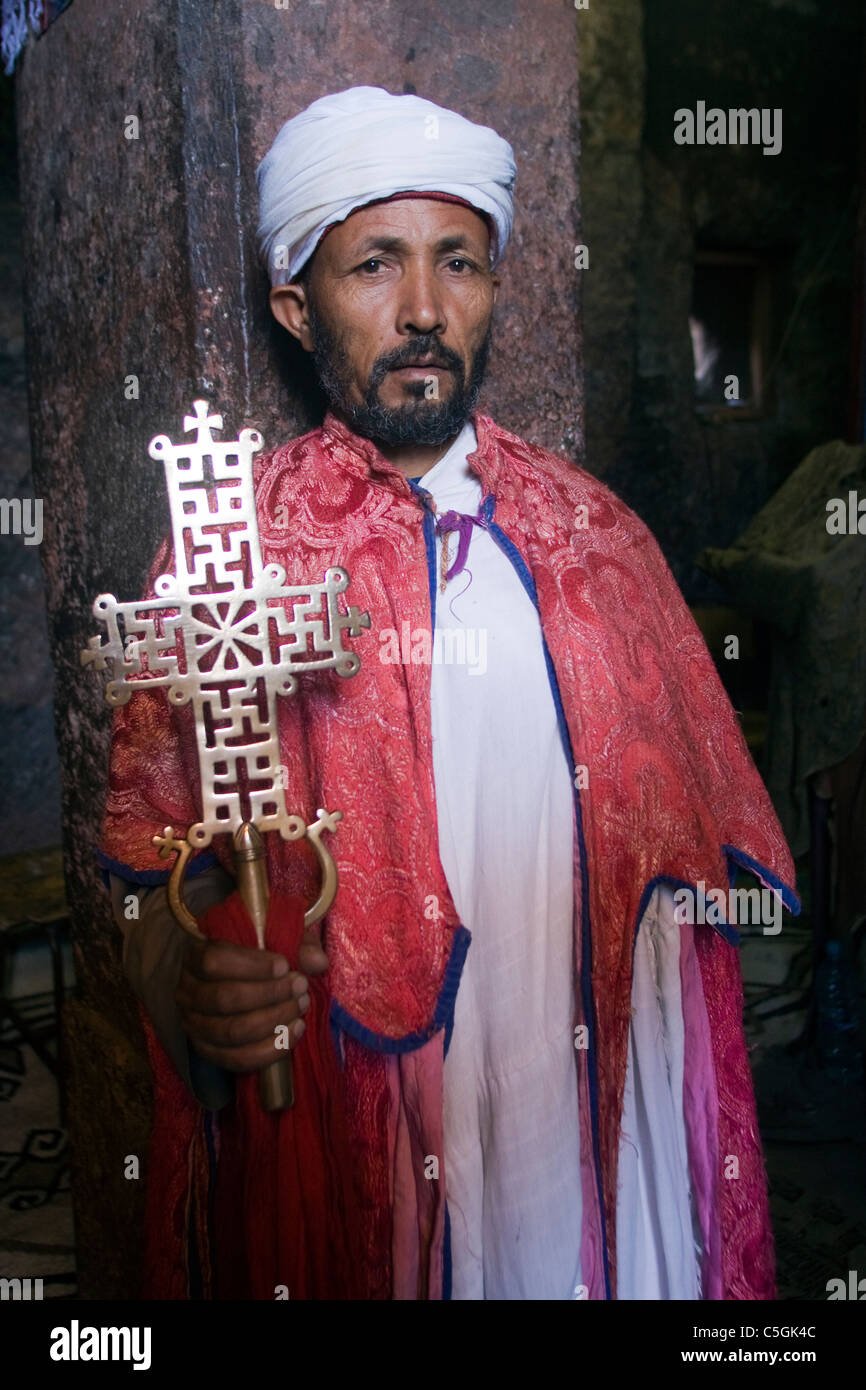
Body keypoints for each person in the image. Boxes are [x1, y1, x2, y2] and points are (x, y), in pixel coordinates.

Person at [100, 85, 798, 1301]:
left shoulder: (599, 539)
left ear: (490, 288)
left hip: (576, 1107)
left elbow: (687, 886)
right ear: (293, 301)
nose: (423, 310)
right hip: (348, 1110)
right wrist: (181, 977)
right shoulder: (228, 555)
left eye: (458, 262)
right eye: (375, 263)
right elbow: (147, 869)